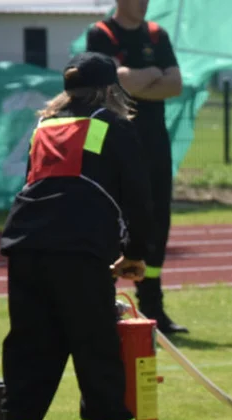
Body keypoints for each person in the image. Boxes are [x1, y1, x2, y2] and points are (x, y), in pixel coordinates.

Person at [0, 52, 155, 420]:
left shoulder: (43, 127)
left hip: (25, 246)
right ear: (111, 89)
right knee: (95, 351)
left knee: (29, 351)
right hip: (78, 252)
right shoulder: (113, 126)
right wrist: (134, 254)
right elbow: (137, 195)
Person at [87, 0, 185, 334]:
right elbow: (116, 85)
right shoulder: (101, 34)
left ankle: (153, 305)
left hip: (154, 143)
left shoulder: (157, 35)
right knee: (109, 218)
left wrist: (137, 80)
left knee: (156, 220)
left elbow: (175, 84)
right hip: (115, 141)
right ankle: (102, 303)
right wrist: (152, 75)